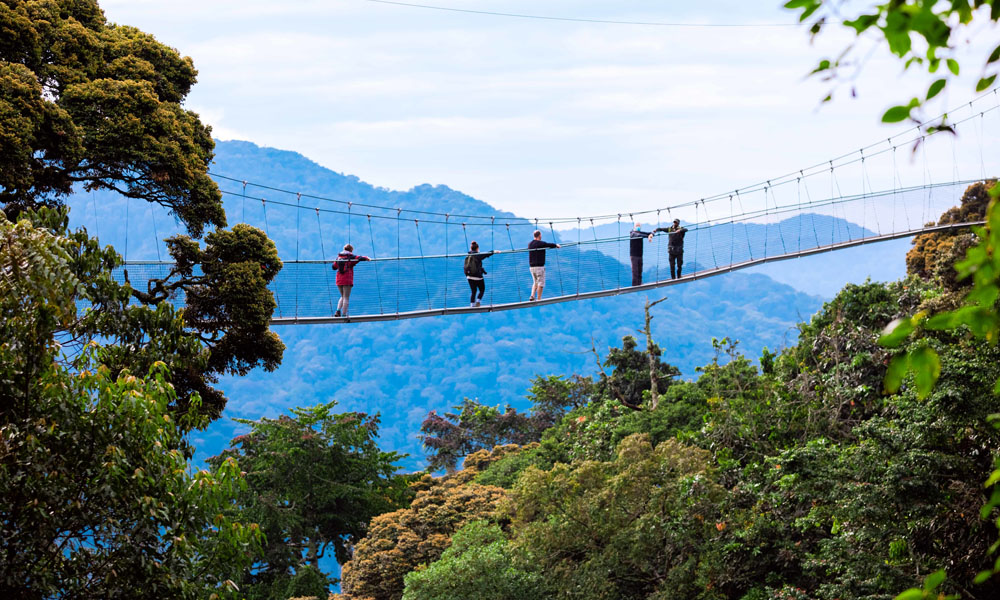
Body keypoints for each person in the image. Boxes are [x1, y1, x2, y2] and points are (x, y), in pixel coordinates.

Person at [333, 243, 370, 317]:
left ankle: (338, 311)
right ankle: (344, 314)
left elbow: (334, 267)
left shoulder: (338, 257)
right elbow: (360, 258)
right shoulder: (350, 257)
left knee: (343, 296)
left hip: (339, 280)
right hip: (347, 279)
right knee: (346, 297)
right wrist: (367, 258)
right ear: (351, 250)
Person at [464, 241, 500, 307]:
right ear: (477, 248)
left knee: (473, 291)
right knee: (482, 289)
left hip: (469, 276)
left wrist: (467, 276)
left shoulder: (468, 256)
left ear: (471, 248)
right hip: (477, 276)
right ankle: (478, 301)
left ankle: (472, 305)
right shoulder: (477, 255)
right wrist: (494, 251)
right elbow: (486, 254)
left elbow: (465, 267)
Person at [527, 230, 560, 301]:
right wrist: (556, 245)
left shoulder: (530, 244)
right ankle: (539, 299)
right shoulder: (541, 244)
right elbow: (549, 245)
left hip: (532, 267)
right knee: (541, 283)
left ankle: (532, 295)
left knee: (535, 282)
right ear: (539, 235)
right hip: (539, 267)